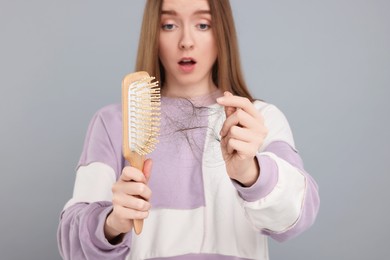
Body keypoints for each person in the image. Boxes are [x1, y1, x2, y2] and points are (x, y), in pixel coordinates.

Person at [57, 0, 320, 259]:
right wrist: (113, 224)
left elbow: (296, 216)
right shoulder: (114, 122)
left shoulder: (257, 120)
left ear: (222, 33)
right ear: (153, 33)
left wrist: (250, 173)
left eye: (203, 25)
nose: (186, 41)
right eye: (169, 25)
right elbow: (73, 247)